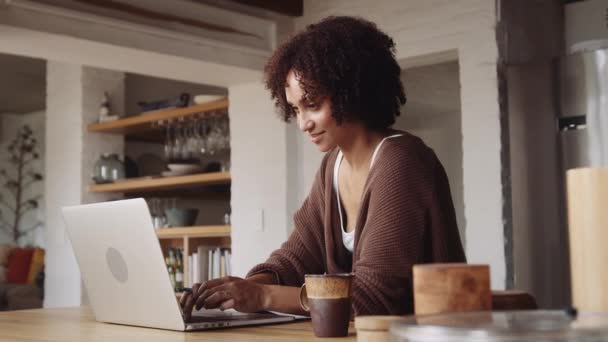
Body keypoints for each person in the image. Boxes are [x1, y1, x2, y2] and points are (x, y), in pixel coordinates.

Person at [180, 16, 465, 319]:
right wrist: (236, 290)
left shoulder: (402, 161)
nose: (303, 123)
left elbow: (373, 299)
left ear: (351, 90)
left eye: (313, 104)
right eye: (295, 109)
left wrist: (261, 294)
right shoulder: (332, 165)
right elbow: (295, 260)